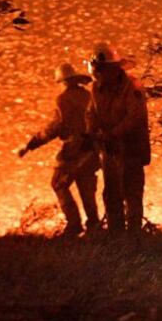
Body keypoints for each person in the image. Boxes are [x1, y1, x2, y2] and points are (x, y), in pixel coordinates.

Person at [17, 63, 101, 238]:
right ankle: (94, 227)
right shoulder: (89, 96)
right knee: (86, 189)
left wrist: (32, 144)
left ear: (62, 81)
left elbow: (56, 126)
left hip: (73, 151)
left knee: (58, 183)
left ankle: (74, 224)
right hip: (91, 149)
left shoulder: (63, 99)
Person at [86, 42, 151, 235]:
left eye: (103, 69)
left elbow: (135, 116)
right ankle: (116, 236)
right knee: (112, 194)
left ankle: (134, 237)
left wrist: (113, 134)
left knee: (132, 193)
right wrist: (92, 133)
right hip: (110, 150)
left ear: (114, 69)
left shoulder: (132, 87)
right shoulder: (97, 89)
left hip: (131, 149)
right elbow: (91, 113)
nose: (99, 74)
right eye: (98, 69)